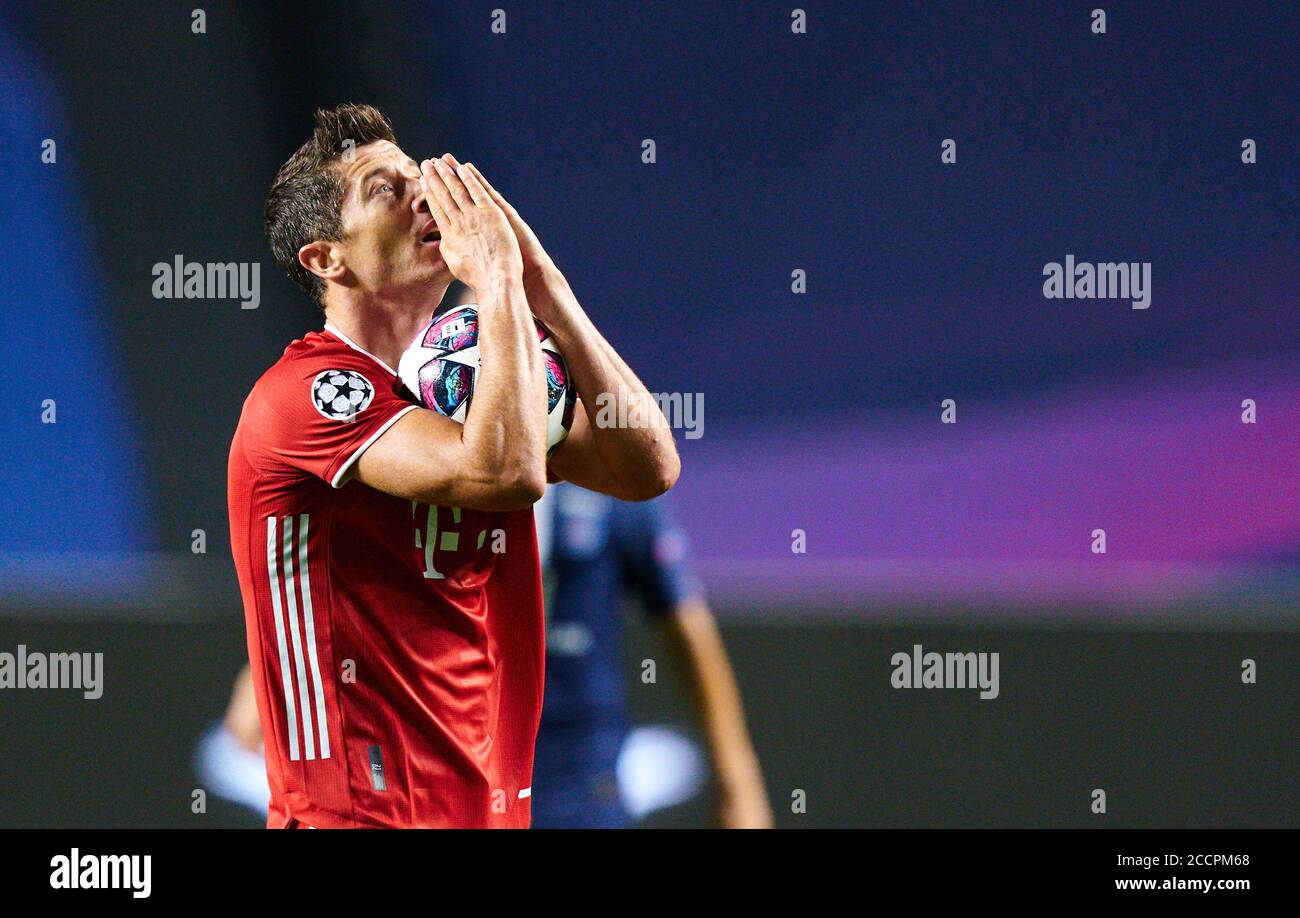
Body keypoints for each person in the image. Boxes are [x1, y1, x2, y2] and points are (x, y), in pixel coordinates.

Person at [227, 104, 679, 828]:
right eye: (384, 190)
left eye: (418, 178)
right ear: (326, 258)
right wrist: (497, 283)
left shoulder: (466, 382)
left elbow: (648, 467)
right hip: (354, 818)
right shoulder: (304, 395)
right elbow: (502, 476)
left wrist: (545, 286)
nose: (424, 197)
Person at [533, 483, 773, 828]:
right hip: (480, 753)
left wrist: (739, 782)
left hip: (584, 768)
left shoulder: (606, 478)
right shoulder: (467, 469)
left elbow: (686, 620)